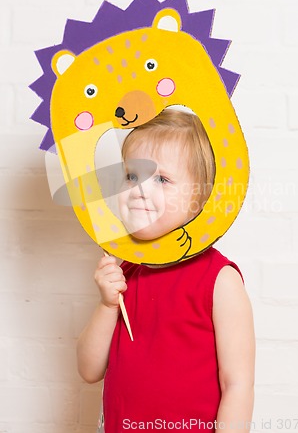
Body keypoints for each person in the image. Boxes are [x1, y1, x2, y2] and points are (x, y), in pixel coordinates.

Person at [77, 109, 255, 432]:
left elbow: (238, 385)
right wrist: (106, 304)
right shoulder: (126, 273)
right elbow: (89, 370)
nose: (140, 189)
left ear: (200, 198)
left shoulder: (220, 281)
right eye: (132, 175)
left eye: (161, 179)